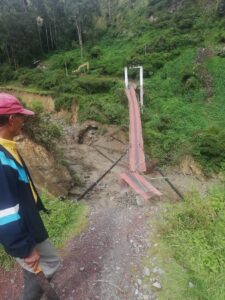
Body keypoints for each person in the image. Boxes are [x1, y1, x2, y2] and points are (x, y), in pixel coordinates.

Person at [0, 93, 60, 300]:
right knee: (50, 262)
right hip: (21, 225)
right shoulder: (0, 159)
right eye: (21, 116)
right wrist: (24, 248)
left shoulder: (6, 147)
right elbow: (4, 213)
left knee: (33, 267)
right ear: (11, 120)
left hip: (27, 217)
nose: (23, 121)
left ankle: (30, 280)